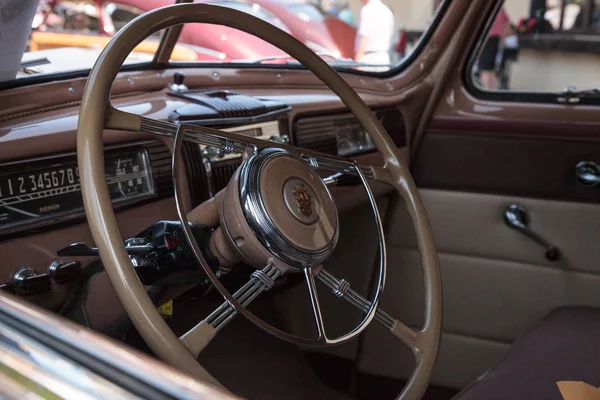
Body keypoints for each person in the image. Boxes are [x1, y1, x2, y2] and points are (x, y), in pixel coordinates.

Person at [478, 8, 512, 90]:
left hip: (488, 38)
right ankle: (492, 91)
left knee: (485, 69)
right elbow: (507, 26)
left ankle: (487, 91)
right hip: (495, 39)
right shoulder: (498, 8)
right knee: (490, 69)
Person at [354, 0, 394, 67]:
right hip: (384, 58)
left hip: (368, 59)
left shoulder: (367, 10)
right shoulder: (387, 11)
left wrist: (357, 59)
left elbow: (364, 36)